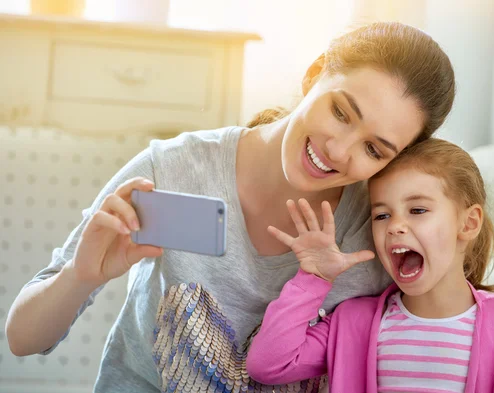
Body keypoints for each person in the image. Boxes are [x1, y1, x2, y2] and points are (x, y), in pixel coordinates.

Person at [5, 22, 456, 393]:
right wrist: (82, 275)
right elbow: (23, 339)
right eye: (340, 112)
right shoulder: (174, 167)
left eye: (374, 150)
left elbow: (454, 332)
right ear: (315, 72)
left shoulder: (379, 228)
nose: (339, 151)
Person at [246, 138, 494, 393]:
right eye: (382, 214)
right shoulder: (351, 322)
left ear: (469, 223)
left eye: (417, 210)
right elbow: (268, 364)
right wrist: (313, 279)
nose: (395, 225)